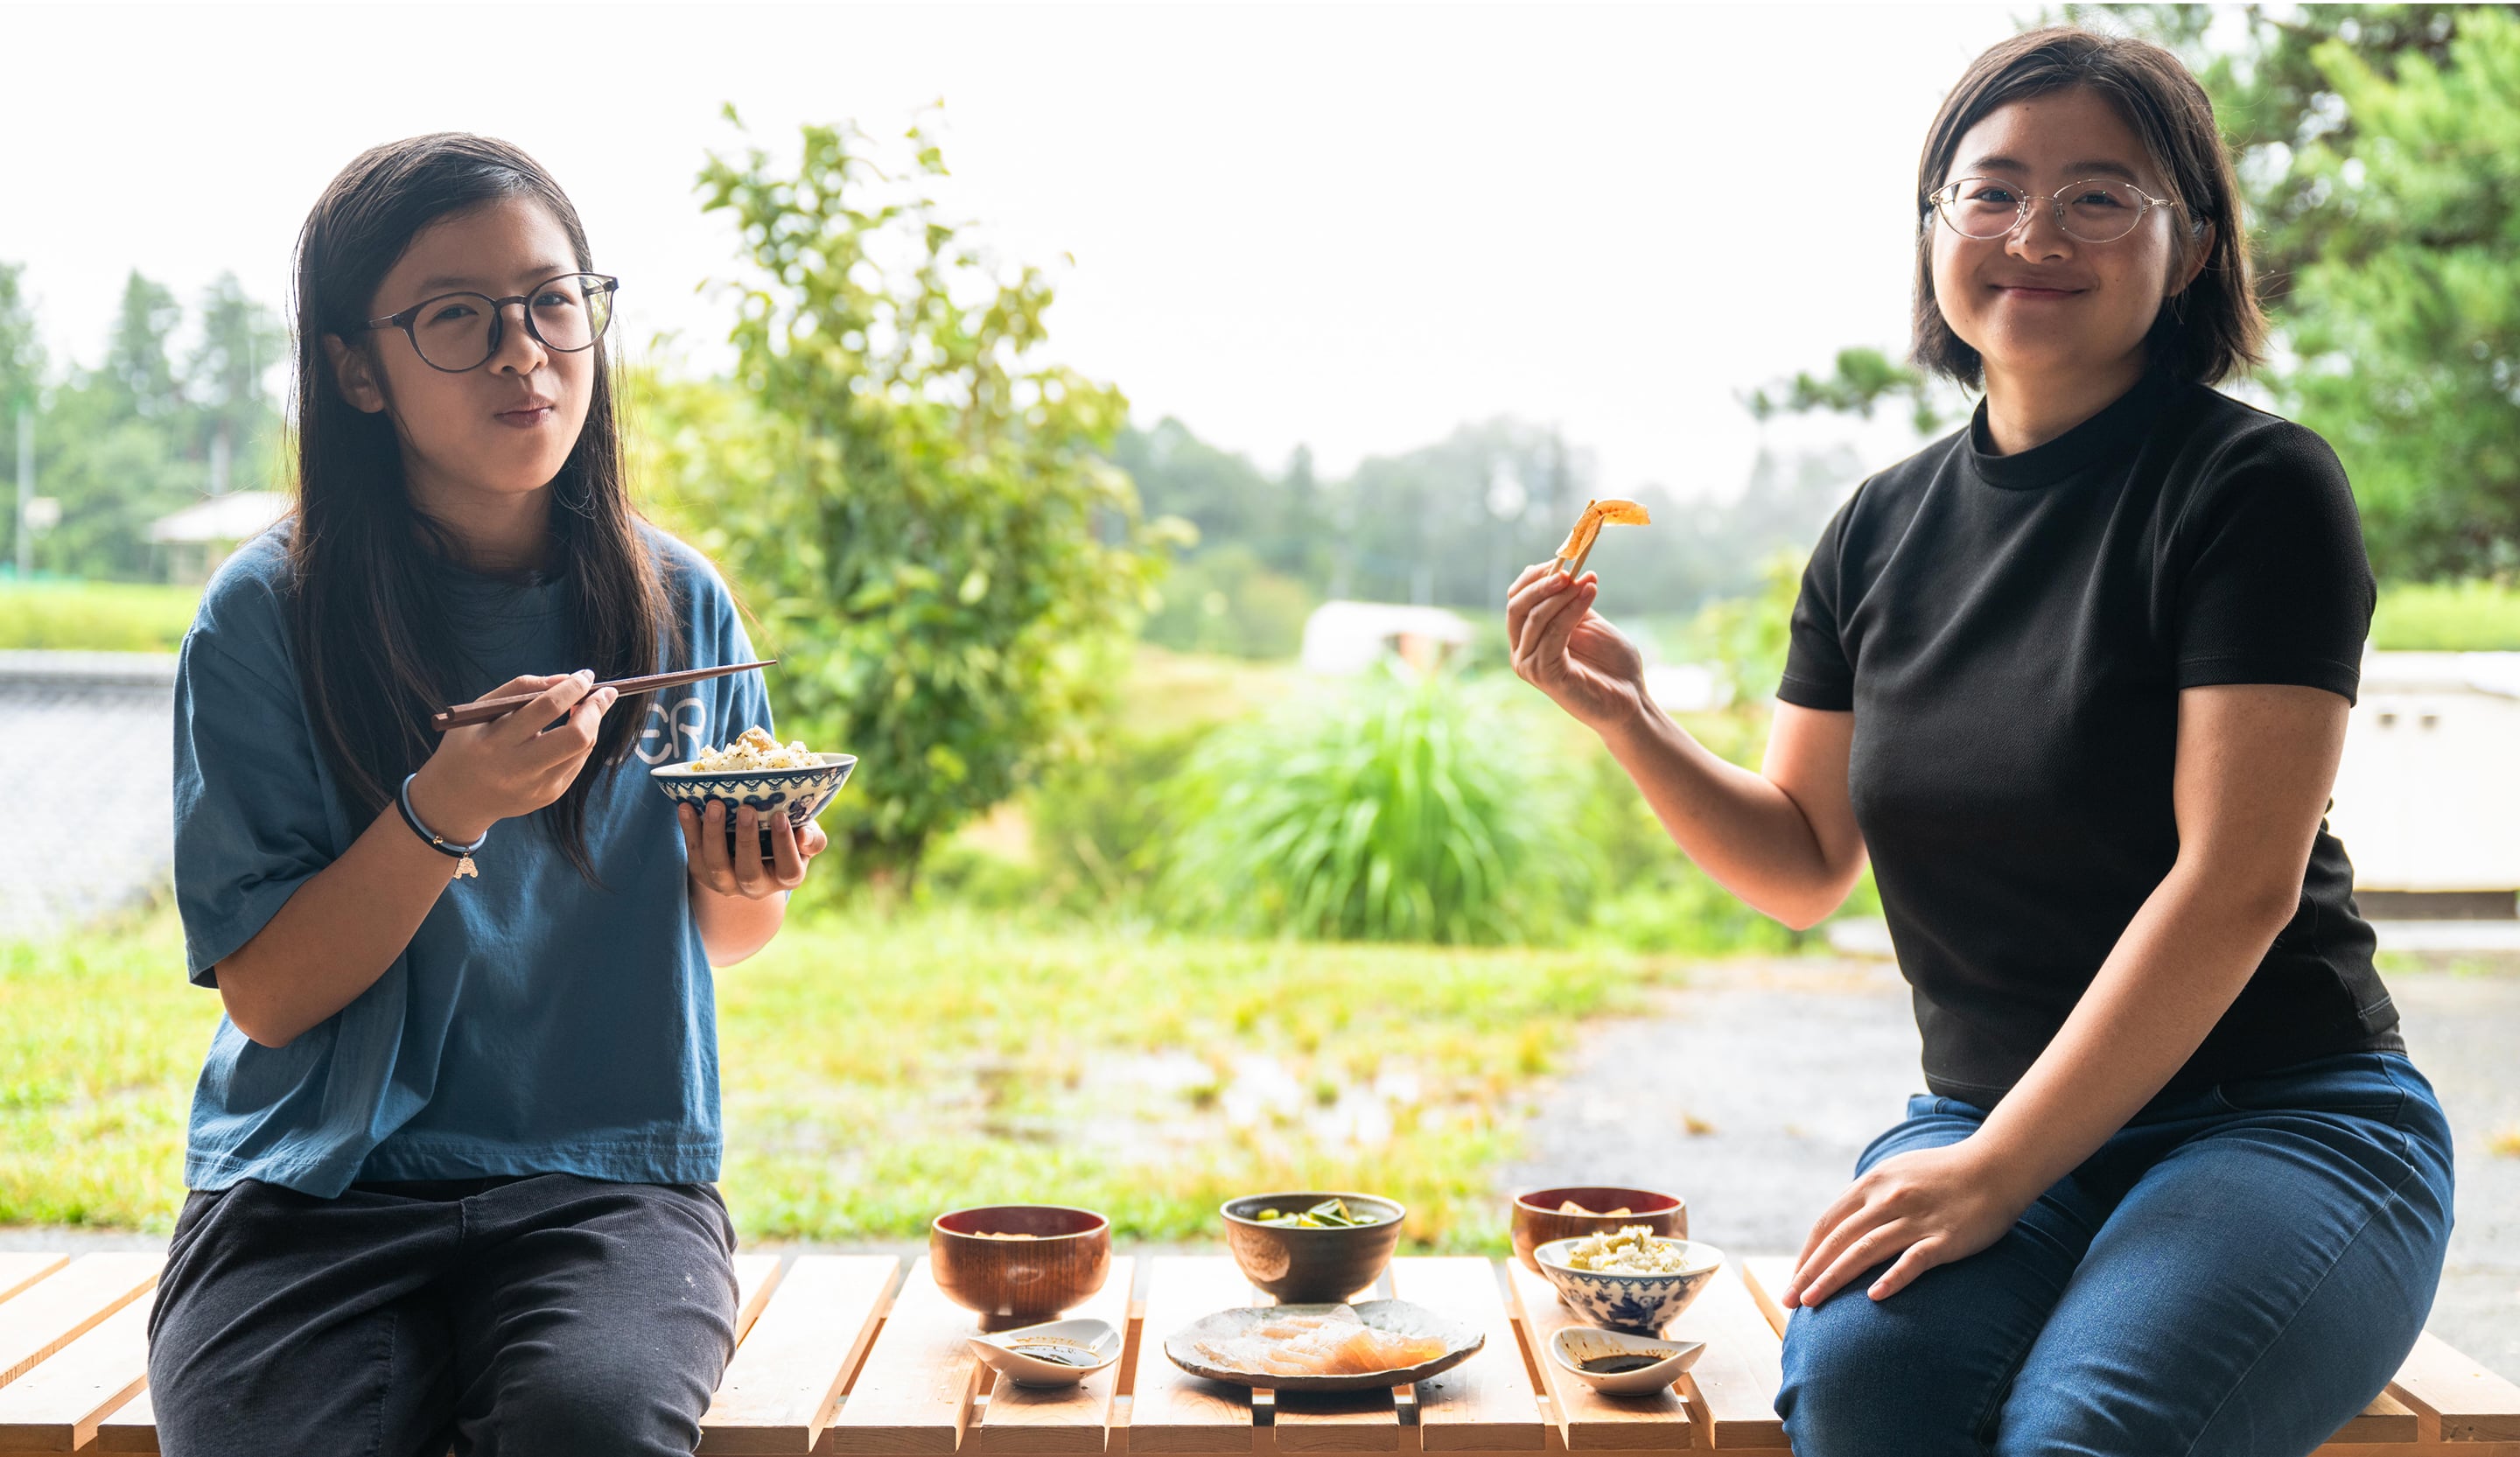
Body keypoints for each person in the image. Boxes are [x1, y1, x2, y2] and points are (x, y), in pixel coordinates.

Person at [1506, 27, 2452, 1457]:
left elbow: (2236, 883)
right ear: (1935, 227)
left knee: (2088, 1430)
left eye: (2098, 195)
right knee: (1867, 1404)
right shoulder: (1878, 527)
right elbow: (1805, 861)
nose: (2034, 233)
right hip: (1983, 1118)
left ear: (2187, 246)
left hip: (2280, 1120)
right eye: (1992, 191)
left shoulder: (2254, 487)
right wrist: (1627, 718)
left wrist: (1996, 1170)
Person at [146, 134, 826, 1456]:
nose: (524, 352)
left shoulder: (677, 604)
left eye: (552, 302)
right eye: (457, 317)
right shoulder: (266, 615)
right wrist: (441, 808)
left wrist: (745, 878)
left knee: (591, 1422)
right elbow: (271, 994)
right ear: (357, 368)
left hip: (607, 1182)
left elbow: (727, 935)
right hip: (312, 1187)